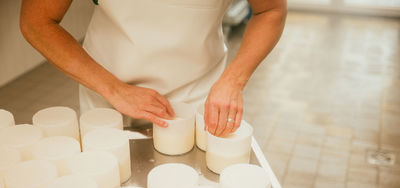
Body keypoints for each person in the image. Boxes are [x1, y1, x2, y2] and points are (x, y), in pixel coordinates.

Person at [20, 0, 286, 137]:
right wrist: (115, 90)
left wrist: (233, 81)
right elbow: (37, 21)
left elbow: (271, 10)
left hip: (196, 101)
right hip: (107, 99)